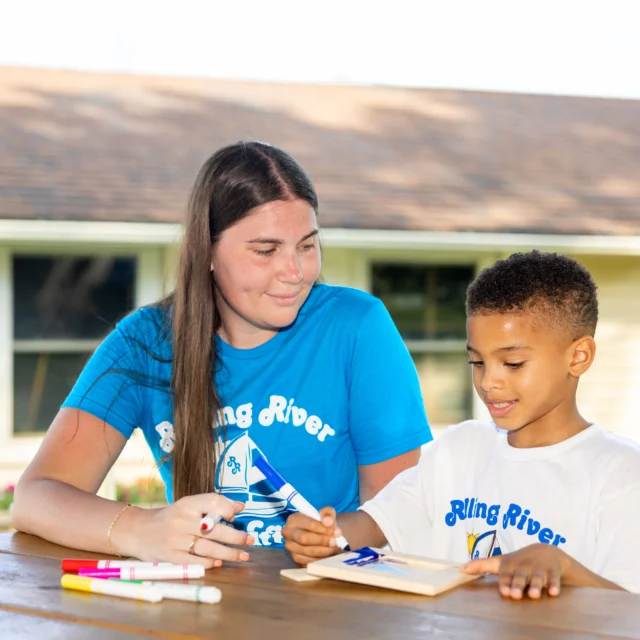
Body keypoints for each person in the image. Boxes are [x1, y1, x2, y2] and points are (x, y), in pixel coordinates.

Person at [12, 141, 432, 567]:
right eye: (266, 250)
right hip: (201, 609)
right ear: (205, 251)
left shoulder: (357, 326)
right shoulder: (144, 343)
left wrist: (339, 537)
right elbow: (35, 496)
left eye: (306, 245)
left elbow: (401, 516)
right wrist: (143, 529)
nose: (296, 272)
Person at [283, 250, 640, 597]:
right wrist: (324, 536)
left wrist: (564, 567)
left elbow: (629, 610)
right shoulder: (461, 448)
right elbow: (374, 524)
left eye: (513, 363)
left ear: (579, 356)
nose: (488, 382)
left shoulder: (621, 473)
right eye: (477, 362)